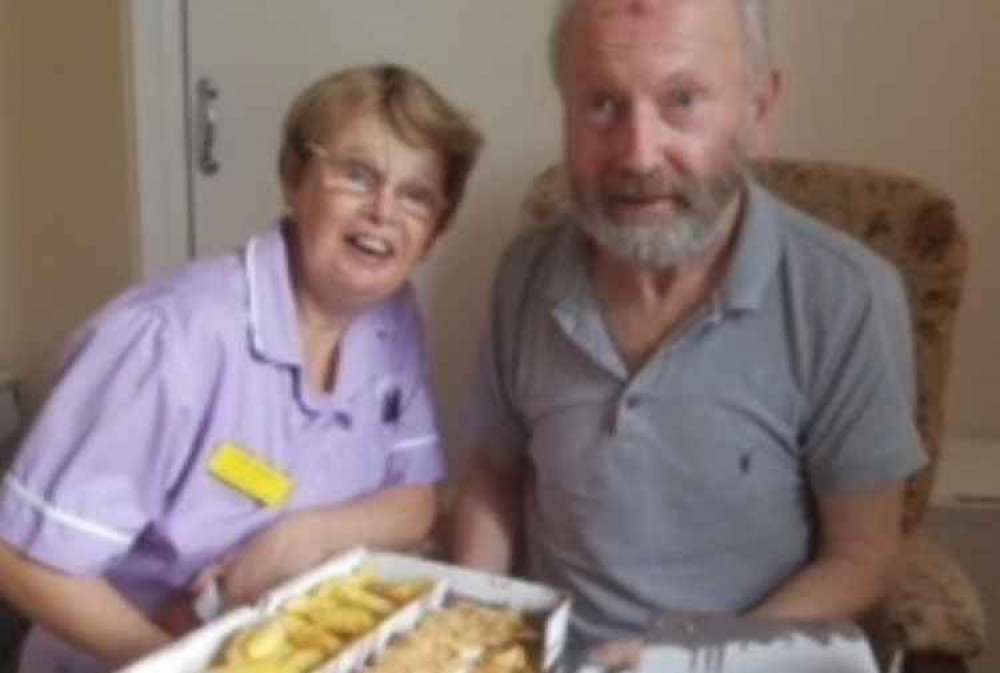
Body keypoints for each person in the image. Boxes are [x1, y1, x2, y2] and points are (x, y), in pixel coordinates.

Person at [453, 0, 926, 655]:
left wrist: (692, 657)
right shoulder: (524, 274)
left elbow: (865, 555)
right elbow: (493, 477)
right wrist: (466, 630)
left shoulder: (846, 296)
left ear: (759, 108)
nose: (638, 155)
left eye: (681, 100)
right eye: (601, 105)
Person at [0, 63, 483, 672]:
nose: (384, 210)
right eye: (357, 175)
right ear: (294, 178)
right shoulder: (168, 339)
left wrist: (293, 541)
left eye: (416, 195)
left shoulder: (390, 319)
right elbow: (18, 559)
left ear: (435, 230)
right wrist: (189, 662)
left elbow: (414, 500)